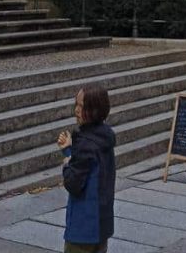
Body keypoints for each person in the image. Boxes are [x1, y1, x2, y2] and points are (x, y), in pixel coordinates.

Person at [56, 83, 116, 253]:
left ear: (93, 110)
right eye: (76, 104)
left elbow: (74, 183)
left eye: (81, 106)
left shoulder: (85, 144)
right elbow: (88, 167)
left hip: (84, 226)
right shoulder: (104, 137)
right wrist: (69, 149)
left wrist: (67, 162)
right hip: (101, 224)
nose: (76, 110)